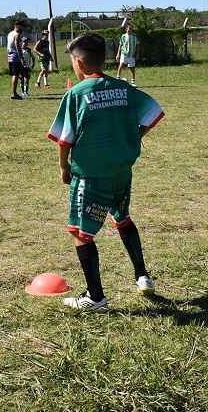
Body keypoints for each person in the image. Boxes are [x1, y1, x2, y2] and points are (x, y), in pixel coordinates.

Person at [48, 33, 165, 311]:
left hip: (91, 174)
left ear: (78, 62)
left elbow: (65, 138)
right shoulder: (123, 87)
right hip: (121, 171)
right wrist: (134, 138)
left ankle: (95, 297)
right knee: (121, 217)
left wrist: (64, 168)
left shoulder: (76, 94)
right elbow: (154, 112)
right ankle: (142, 276)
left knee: (80, 233)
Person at [7, 20, 25, 99]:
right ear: (17, 26)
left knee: (15, 74)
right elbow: (17, 46)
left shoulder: (10, 34)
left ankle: (14, 92)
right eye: (21, 26)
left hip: (10, 56)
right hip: (15, 56)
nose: (22, 28)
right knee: (16, 75)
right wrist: (22, 58)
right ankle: (14, 93)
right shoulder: (17, 35)